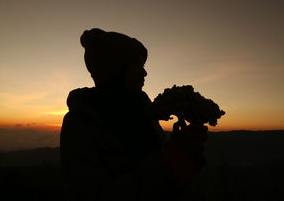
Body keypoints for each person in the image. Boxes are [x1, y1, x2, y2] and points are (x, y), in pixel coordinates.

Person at [60, 28, 208, 201]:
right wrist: (170, 159)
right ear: (114, 70)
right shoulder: (80, 124)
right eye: (137, 65)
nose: (144, 72)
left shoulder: (142, 112)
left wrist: (181, 150)